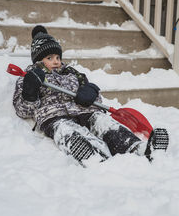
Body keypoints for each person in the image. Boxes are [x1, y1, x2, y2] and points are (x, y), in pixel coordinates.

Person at [13, 25, 167, 165]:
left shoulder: (73, 73)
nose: (56, 61)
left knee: (104, 123)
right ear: (38, 60)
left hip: (85, 111)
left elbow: (96, 98)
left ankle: (139, 149)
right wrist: (30, 91)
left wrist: (90, 93)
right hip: (54, 116)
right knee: (66, 131)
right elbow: (23, 110)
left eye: (58, 57)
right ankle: (93, 155)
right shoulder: (30, 77)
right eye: (49, 58)